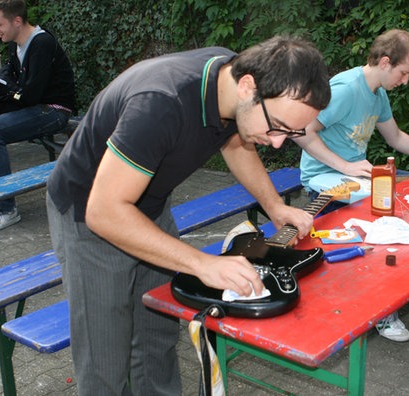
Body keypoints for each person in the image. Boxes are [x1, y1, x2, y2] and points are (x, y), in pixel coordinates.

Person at [46, 35, 330, 395]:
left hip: (148, 204)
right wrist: (201, 263)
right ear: (248, 87)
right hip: (90, 214)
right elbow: (104, 212)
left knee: (157, 335)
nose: (277, 142)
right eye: (276, 127)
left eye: (292, 133)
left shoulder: (232, 84)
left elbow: (234, 140)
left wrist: (274, 206)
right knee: (106, 357)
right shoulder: (160, 104)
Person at [295, 29, 409, 342]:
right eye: (404, 73)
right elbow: (301, 130)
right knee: (385, 204)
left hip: (351, 176)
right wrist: (346, 166)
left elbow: (395, 138)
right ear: (385, 62)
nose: (405, 81)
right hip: (322, 176)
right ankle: (382, 311)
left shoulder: (377, 94)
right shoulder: (345, 89)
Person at [0, 0, 75, 232]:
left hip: (53, 110)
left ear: (17, 21)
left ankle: (4, 209)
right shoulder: (15, 44)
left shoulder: (41, 43)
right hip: (32, 107)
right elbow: (12, 87)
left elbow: (28, 95)